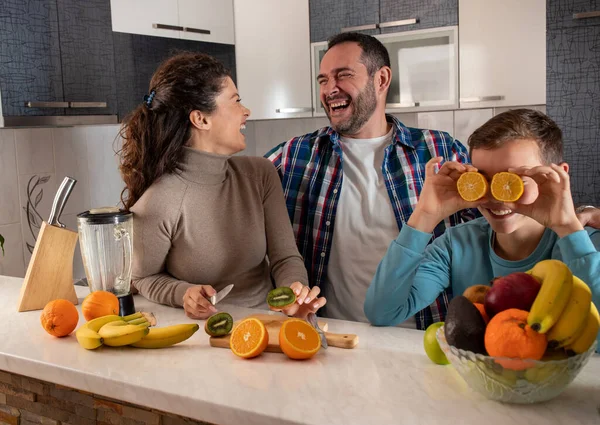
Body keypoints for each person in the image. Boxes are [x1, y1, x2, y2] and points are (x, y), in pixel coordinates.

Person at [265, 32, 600, 329]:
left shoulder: (441, 151)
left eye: (343, 75)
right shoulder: (293, 156)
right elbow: (232, 190)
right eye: (322, 80)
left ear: (382, 79)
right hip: (330, 331)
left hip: (428, 334)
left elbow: (512, 205)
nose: (329, 88)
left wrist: (577, 220)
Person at [364, 109, 600, 355]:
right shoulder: (457, 244)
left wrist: (567, 227)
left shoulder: (584, 245)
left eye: (512, 181)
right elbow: (382, 311)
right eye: (485, 180)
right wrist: (424, 216)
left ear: (557, 176)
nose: (497, 198)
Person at [118, 52, 325, 320]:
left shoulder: (260, 175)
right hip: (206, 338)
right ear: (201, 119)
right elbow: (144, 277)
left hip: (271, 326)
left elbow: (285, 258)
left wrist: (295, 293)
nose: (246, 111)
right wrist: (183, 293)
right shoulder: (157, 202)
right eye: (236, 101)